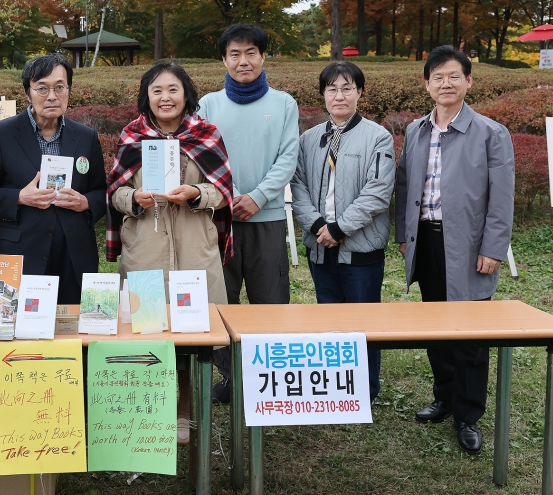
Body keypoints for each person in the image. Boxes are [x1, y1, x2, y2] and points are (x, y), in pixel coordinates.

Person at [106, 61, 234, 444]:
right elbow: (114, 193)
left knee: (194, 342)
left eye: (173, 89)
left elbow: (225, 192)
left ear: (186, 94)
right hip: (146, 252)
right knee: (148, 335)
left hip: (196, 254)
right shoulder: (132, 136)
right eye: (157, 90)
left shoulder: (206, 134)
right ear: (147, 96)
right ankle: (149, 421)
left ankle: (186, 414)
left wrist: (196, 194)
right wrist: (135, 198)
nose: (165, 97)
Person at [395, 45, 514, 455]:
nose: (446, 84)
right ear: (427, 84)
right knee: (436, 326)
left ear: (468, 81)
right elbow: (404, 186)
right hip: (426, 239)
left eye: (454, 76)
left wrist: (494, 248)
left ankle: (468, 415)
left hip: (468, 244)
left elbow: (502, 199)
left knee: (471, 333)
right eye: (437, 77)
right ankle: (444, 397)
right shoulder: (415, 130)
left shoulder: (491, 133)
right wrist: (404, 236)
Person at [197, 23, 299, 403]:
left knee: (270, 300)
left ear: (263, 56)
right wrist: (232, 195)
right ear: (223, 59)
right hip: (219, 220)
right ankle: (230, 375)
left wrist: (257, 196)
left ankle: (270, 376)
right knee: (221, 300)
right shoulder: (208, 104)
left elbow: (288, 158)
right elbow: (204, 157)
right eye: (235, 54)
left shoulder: (284, 103)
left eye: (251, 52)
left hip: (267, 218)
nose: (243, 61)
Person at [290, 62, 394, 402]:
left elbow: (378, 192)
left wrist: (339, 227)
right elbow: (298, 185)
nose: (339, 95)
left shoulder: (377, 136)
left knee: (363, 320)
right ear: (323, 94)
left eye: (347, 88)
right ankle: (337, 387)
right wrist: (318, 225)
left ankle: (365, 389)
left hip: (360, 246)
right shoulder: (308, 139)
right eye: (332, 89)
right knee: (329, 316)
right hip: (320, 244)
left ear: (359, 92)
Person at [0, 53, 106, 305]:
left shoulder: (86, 137)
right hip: (22, 251)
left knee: (74, 332)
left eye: (59, 87)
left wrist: (85, 203)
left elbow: (100, 190)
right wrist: (19, 197)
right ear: (28, 93)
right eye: (42, 88)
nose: (52, 96)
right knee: (22, 333)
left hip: (74, 252)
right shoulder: (1, 135)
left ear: (69, 90)